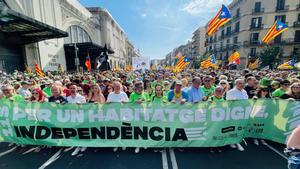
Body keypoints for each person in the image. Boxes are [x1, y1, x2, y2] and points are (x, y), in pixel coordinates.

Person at [226, 79, 248, 151]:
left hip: (243, 113)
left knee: (239, 127)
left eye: (242, 83)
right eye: (240, 83)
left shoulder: (244, 91)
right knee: (232, 127)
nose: (242, 85)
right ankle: (231, 142)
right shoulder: (231, 92)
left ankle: (237, 141)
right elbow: (227, 103)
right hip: (233, 114)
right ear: (236, 84)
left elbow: (247, 101)